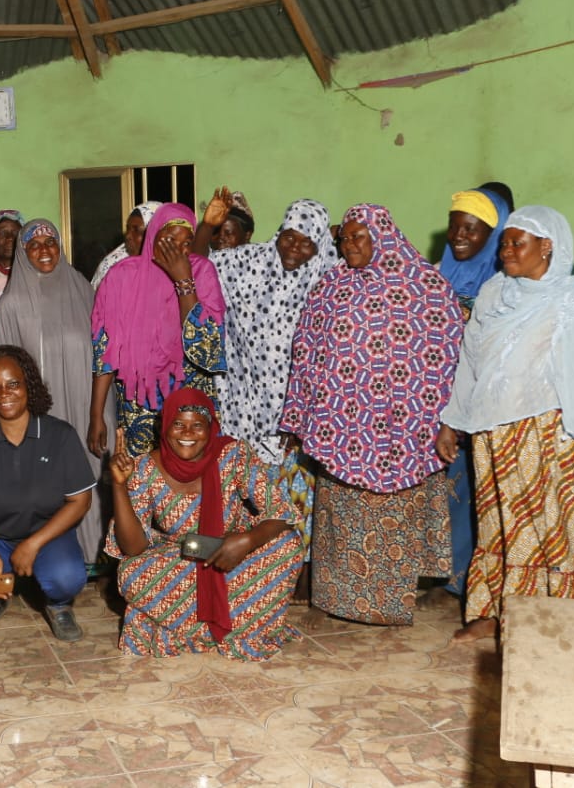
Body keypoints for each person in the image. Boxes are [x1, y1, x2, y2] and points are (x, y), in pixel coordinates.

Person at [439, 207, 574, 641]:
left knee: (565, 527)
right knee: (500, 525)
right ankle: (495, 614)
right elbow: (470, 365)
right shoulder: (495, 295)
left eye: (518, 243)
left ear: (547, 246)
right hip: (495, 434)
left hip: (556, 434)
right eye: (505, 244)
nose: (507, 252)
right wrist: (451, 422)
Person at [281, 203, 461, 627]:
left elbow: (449, 352)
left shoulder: (426, 286)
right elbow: (305, 352)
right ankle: (343, 600)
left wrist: (442, 417)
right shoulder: (331, 286)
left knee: (393, 521)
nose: (349, 245)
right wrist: (299, 415)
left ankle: (390, 603)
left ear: (382, 235)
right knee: (346, 517)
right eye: (344, 238)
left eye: (359, 237)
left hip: (406, 431)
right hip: (345, 431)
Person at [203, 199, 337, 601]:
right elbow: (197, 268)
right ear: (279, 232)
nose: (295, 248)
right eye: (289, 237)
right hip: (245, 409)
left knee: (299, 498)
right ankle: (248, 576)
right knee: (251, 494)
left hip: (298, 415)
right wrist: (205, 226)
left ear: (319, 246)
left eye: (307, 243)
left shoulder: (328, 281)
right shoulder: (245, 264)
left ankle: (296, 578)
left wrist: (302, 417)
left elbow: (329, 355)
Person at [107, 388, 303, 659]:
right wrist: (119, 485)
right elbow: (133, 547)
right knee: (132, 572)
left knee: (288, 544)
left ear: (211, 429)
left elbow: (282, 510)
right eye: (178, 424)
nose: (187, 434)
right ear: (165, 427)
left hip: (230, 552)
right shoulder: (144, 468)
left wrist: (247, 541)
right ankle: (235, 625)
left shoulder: (232, 455)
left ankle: (192, 628)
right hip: (182, 556)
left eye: (197, 426)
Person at [0, 346, 95, 642]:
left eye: (13, 384)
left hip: (48, 534)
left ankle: (58, 604)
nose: (4, 393)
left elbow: (80, 501)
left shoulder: (60, 435)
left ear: (28, 386)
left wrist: (33, 544)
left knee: (66, 578)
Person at [0, 219, 113, 572]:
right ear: (22, 251)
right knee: (55, 480)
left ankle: (100, 556)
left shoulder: (81, 287)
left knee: (96, 472)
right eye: (34, 244)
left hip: (91, 403)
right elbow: (9, 373)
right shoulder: (12, 303)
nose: (44, 250)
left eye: (51, 242)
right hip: (47, 413)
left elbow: (103, 352)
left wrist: (98, 415)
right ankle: (62, 559)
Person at [90, 202, 225, 458]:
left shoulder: (202, 272)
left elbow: (207, 351)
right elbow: (104, 354)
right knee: (142, 487)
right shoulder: (120, 277)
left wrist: (184, 282)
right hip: (139, 403)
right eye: (168, 240)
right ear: (153, 238)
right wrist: (96, 415)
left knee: (192, 484)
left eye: (186, 242)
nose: (177, 250)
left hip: (190, 404)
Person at [433, 188, 507, 604]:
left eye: (471, 230)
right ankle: (452, 581)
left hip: (491, 406)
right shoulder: (441, 273)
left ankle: (486, 589)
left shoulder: (505, 284)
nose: (459, 237)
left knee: (487, 499)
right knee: (453, 497)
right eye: (454, 227)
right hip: (448, 405)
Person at [90, 202, 157, 291]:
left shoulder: (171, 265)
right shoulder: (111, 267)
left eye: (136, 230)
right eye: (128, 229)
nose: (128, 235)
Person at [192, 187, 255, 255]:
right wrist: (206, 225)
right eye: (215, 232)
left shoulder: (258, 259)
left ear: (247, 235)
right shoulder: (208, 259)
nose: (220, 238)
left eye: (228, 233)